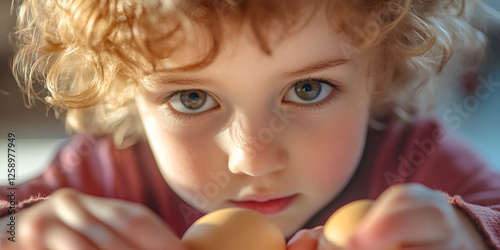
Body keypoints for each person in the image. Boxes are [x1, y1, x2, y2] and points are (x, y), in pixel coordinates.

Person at [1, 0, 499, 249]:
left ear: (380, 72)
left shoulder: (418, 162)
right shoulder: (109, 174)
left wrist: (469, 236)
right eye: (192, 97)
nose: (251, 158)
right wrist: (17, 232)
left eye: (308, 90)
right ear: (129, 91)